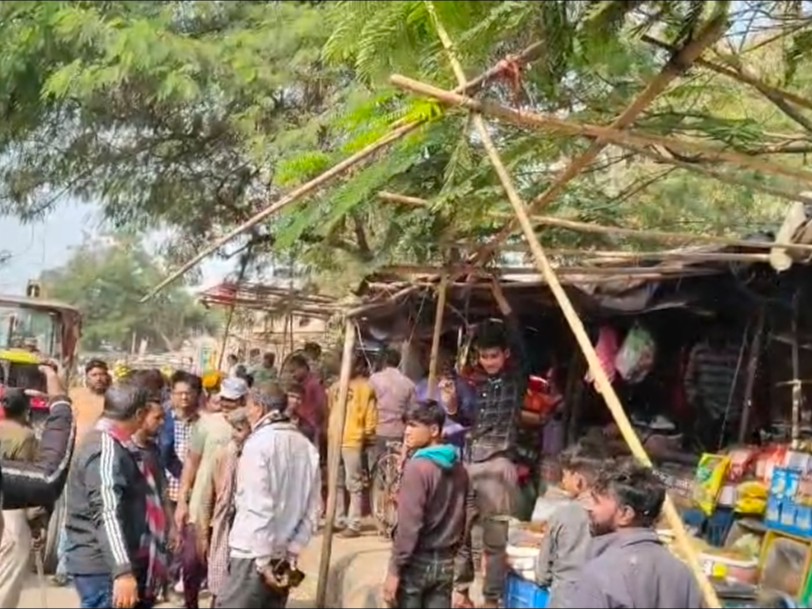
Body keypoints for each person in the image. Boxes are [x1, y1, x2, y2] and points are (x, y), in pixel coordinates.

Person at [448, 281, 528, 609]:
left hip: (498, 463)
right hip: (471, 462)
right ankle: (461, 592)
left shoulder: (515, 378)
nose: (489, 361)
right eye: (484, 356)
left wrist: (498, 296)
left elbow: (517, 336)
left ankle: (491, 600)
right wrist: (452, 405)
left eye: (494, 355)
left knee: (494, 539)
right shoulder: (477, 384)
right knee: (461, 534)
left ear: (505, 355)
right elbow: (467, 419)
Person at [64, 385, 169, 609]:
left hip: (108, 563)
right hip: (103, 567)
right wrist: (122, 571)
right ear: (139, 414)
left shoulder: (117, 444)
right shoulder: (105, 449)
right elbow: (107, 513)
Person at [216, 386, 321, 609]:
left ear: (260, 408)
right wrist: (292, 551)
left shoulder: (257, 446)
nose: (247, 412)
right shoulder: (306, 447)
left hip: (252, 555)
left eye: (249, 406)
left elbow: (258, 507)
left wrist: (263, 561)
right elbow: (313, 509)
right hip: (282, 555)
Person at [556, 461, 702, 608]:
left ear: (625, 514)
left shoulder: (602, 573)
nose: (589, 508)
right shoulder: (683, 574)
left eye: (596, 501)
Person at [382, 401, 470, 609]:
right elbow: (466, 521)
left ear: (434, 430)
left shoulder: (418, 468)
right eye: (407, 425)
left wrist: (394, 570)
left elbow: (409, 528)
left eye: (413, 425)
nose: (407, 431)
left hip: (417, 563)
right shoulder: (460, 468)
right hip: (446, 564)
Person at [174, 377, 248, 609]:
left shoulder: (251, 428)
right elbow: (191, 463)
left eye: (232, 401)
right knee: (191, 562)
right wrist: (182, 500)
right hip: (201, 505)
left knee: (223, 566)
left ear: (243, 401)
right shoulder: (206, 424)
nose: (226, 405)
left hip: (233, 508)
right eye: (224, 399)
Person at [535, 441, 607, 606]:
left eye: (565, 475)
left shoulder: (562, 516)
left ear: (578, 480)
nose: (563, 481)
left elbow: (543, 574)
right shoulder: (613, 516)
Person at [159, 371, 203, 602]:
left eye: (189, 393)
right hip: (168, 488)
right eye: (179, 393)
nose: (184, 398)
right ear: (171, 394)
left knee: (185, 540)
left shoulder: (203, 422)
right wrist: (183, 474)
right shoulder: (162, 420)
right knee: (167, 537)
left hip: (194, 491)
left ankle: (177, 582)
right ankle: (163, 582)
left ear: (197, 395)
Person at [200, 408, 251, 607]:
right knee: (220, 579)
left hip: (246, 525)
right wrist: (204, 530)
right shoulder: (225, 454)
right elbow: (209, 493)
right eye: (234, 429)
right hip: (225, 523)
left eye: (240, 430)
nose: (235, 435)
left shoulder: (254, 456)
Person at [329, 355, 377, 537]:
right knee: (337, 481)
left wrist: (368, 435)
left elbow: (371, 416)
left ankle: (354, 523)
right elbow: (331, 409)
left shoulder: (366, 389)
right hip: (335, 438)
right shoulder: (335, 387)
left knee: (353, 483)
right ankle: (339, 519)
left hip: (352, 439)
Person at [0, 388, 39, 608]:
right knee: (10, 564)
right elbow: (25, 478)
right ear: (26, 410)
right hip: (10, 506)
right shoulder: (26, 436)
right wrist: (35, 517)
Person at [684, 327, 744, 450]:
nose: (717, 333)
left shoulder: (736, 352)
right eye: (715, 329)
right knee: (706, 447)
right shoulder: (699, 351)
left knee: (728, 449)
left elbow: (743, 381)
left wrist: (739, 409)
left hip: (730, 411)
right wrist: (697, 403)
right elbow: (689, 381)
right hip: (706, 409)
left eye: (721, 329)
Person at [368, 348, 416, 468]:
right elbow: (412, 410)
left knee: (377, 467)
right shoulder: (409, 383)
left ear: (384, 362)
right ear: (399, 362)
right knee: (397, 467)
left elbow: (368, 404)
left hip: (378, 430)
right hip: (398, 432)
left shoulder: (374, 379)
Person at [287, 355, 326, 446]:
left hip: (310, 426)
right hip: (301, 424)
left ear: (303, 368)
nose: (293, 375)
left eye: (294, 371)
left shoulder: (314, 384)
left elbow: (322, 406)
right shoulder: (301, 384)